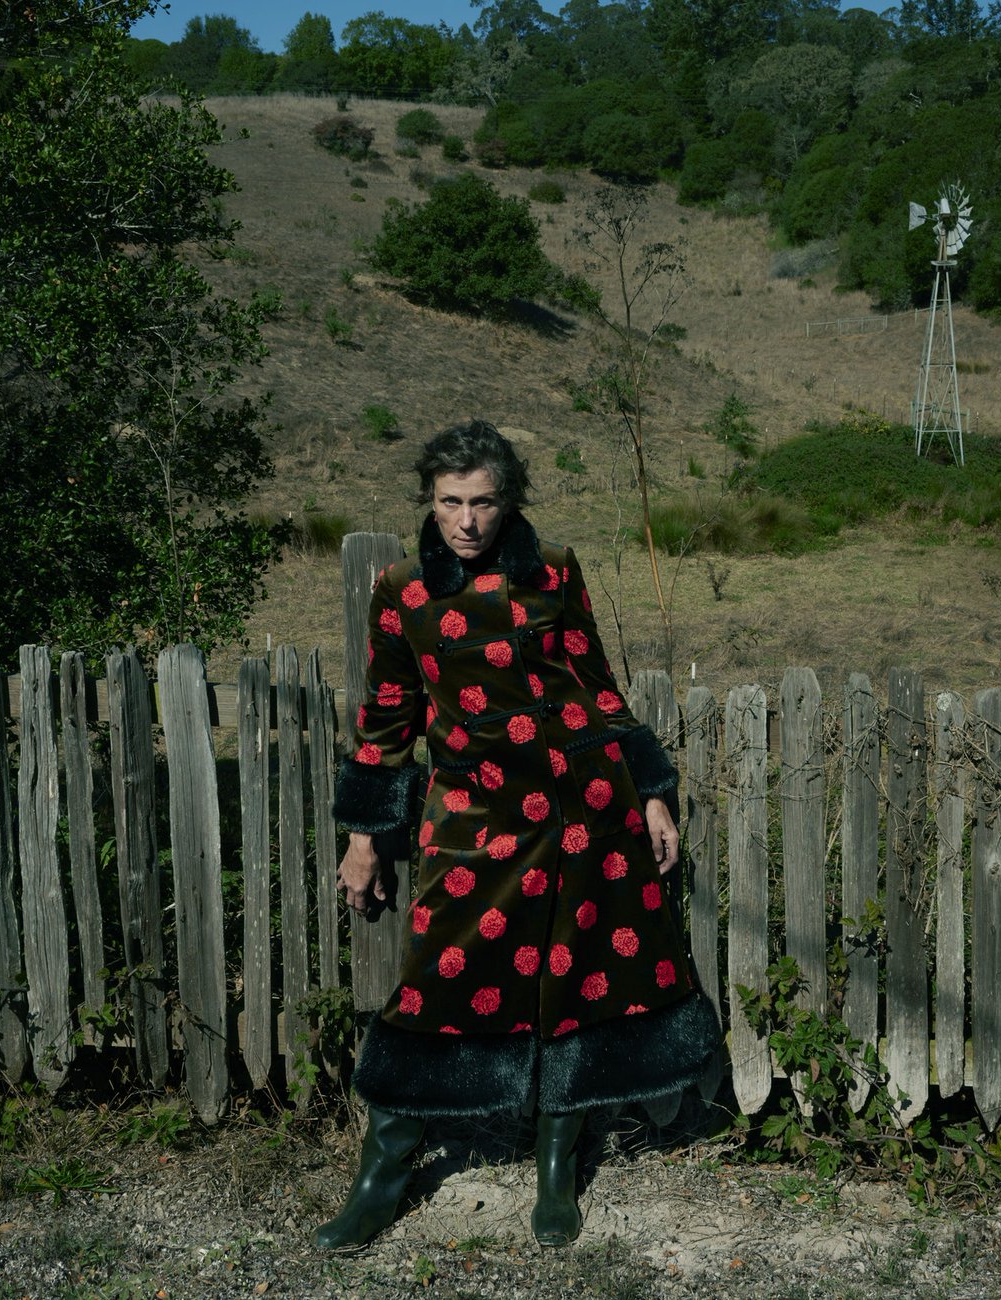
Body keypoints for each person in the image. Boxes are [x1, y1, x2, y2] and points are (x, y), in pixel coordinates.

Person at [316, 421, 719, 1252]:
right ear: (429, 501)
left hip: (583, 814)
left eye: (483, 502)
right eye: (450, 502)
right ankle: (383, 1177)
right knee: (429, 991)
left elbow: (595, 686)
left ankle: (555, 1172)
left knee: (574, 988)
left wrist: (648, 793)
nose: (465, 520)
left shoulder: (554, 571)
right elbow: (387, 716)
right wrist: (365, 834)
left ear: (510, 501)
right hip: (475, 819)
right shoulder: (402, 590)